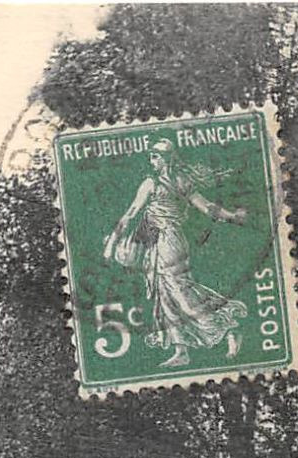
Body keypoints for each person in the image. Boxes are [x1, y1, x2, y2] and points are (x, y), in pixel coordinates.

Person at [103, 138, 250, 368]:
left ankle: (228, 330)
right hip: (170, 241)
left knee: (180, 293)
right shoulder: (182, 181)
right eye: (151, 156)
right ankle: (181, 351)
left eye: (155, 156)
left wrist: (112, 241)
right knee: (167, 294)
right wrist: (232, 216)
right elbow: (208, 207)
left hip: (166, 241)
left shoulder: (151, 183)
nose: (151, 160)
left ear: (165, 159)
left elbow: (130, 213)